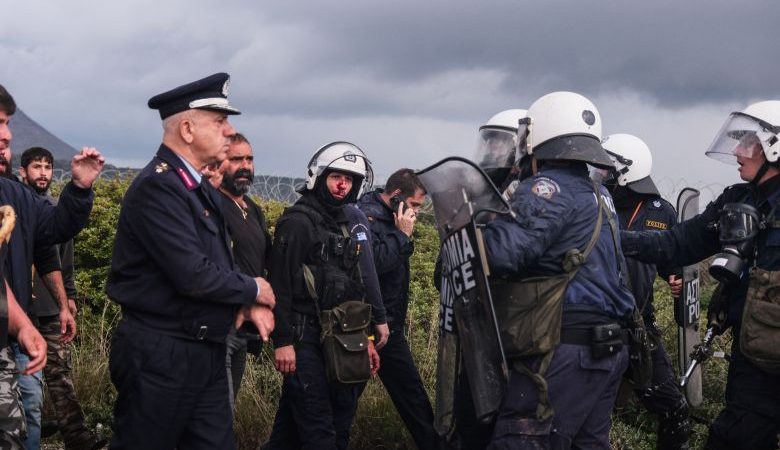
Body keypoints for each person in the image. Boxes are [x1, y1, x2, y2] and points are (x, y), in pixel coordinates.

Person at [105, 73, 275, 450]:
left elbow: (218, 261)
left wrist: (244, 304)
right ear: (186, 128)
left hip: (205, 350)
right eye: (219, 121)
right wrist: (254, 288)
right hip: (162, 355)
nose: (230, 131)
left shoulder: (196, 189)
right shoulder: (159, 187)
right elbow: (192, 274)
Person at [620, 100, 780, 450]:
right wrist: (608, 238)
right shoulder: (737, 200)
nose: (738, 150)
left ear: (774, 147)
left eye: (748, 142)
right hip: (753, 361)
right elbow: (675, 244)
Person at [480, 91, 636, 449]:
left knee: (520, 440)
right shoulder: (600, 194)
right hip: (606, 350)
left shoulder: (548, 188)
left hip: (563, 348)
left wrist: (482, 226)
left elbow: (501, 254)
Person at [0, 83, 104, 450]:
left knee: (18, 420)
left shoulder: (13, 194)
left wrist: (78, 191)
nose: (7, 135)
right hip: (18, 325)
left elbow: (53, 230)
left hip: (10, 335)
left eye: (8, 124)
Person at [267, 141, 380, 450]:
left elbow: (355, 289)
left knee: (304, 430)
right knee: (321, 432)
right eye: (335, 176)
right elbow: (280, 285)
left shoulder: (344, 226)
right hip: (303, 340)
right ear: (319, 177)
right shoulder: (297, 222)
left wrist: (367, 341)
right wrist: (283, 342)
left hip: (342, 339)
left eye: (349, 179)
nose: (342, 184)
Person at [599, 134, 690, 449]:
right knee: (587, 414)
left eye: (608, 167)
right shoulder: (595, 201)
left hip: (640, 327)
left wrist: (677, 279)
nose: (600, 172)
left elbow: (672, 261)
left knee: (674, 409)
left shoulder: (661, 211)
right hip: (594, 324)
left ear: (627, 170)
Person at [18, 147, 107, 450]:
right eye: (35, 167)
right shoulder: (15, 209)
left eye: (47, 167)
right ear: (22, 172)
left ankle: (77, 436)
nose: (42, 173)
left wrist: (67, 299)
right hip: (20, 311)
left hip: (50, 307)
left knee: (60, 374)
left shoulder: (58, 213)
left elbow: (62, 262)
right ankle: (31, 428)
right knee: (25, 379)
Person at [357, 168, 436, 449]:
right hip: (366, 326)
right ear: (397, 196)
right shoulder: (366, 217)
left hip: (390, 324)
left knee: (412, 395)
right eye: (414, 205)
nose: (415, 212)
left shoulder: (392, 217)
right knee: (340, 398)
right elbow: (373, 266)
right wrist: (402, 236)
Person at [213, 132, 272, 403]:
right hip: (219, 324)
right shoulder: (212, 205)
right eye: (237, 159)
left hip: (243, 328)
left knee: (227, 408)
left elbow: (266, 259)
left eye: (249, 159)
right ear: (219, 163)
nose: (246, 166)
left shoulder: (253, 208)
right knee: (218, 410)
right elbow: (218, 261)